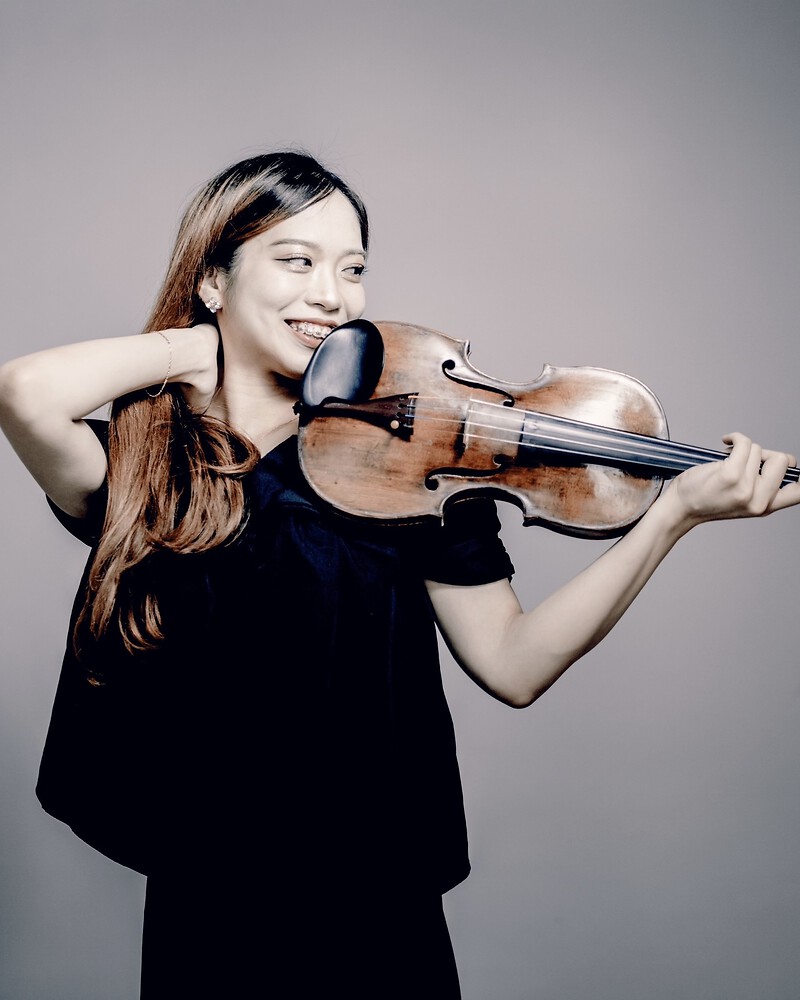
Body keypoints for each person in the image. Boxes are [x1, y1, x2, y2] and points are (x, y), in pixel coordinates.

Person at [0, 151, 798, 999]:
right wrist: (198, 350)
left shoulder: (410, 459)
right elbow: (25, 391)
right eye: (297, 261)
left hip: (377, 900)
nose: (331, 296)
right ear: (214, 279)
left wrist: (673, 517)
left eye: (352, 270)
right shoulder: (148, 460)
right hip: (209, 903)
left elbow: (514, 664)